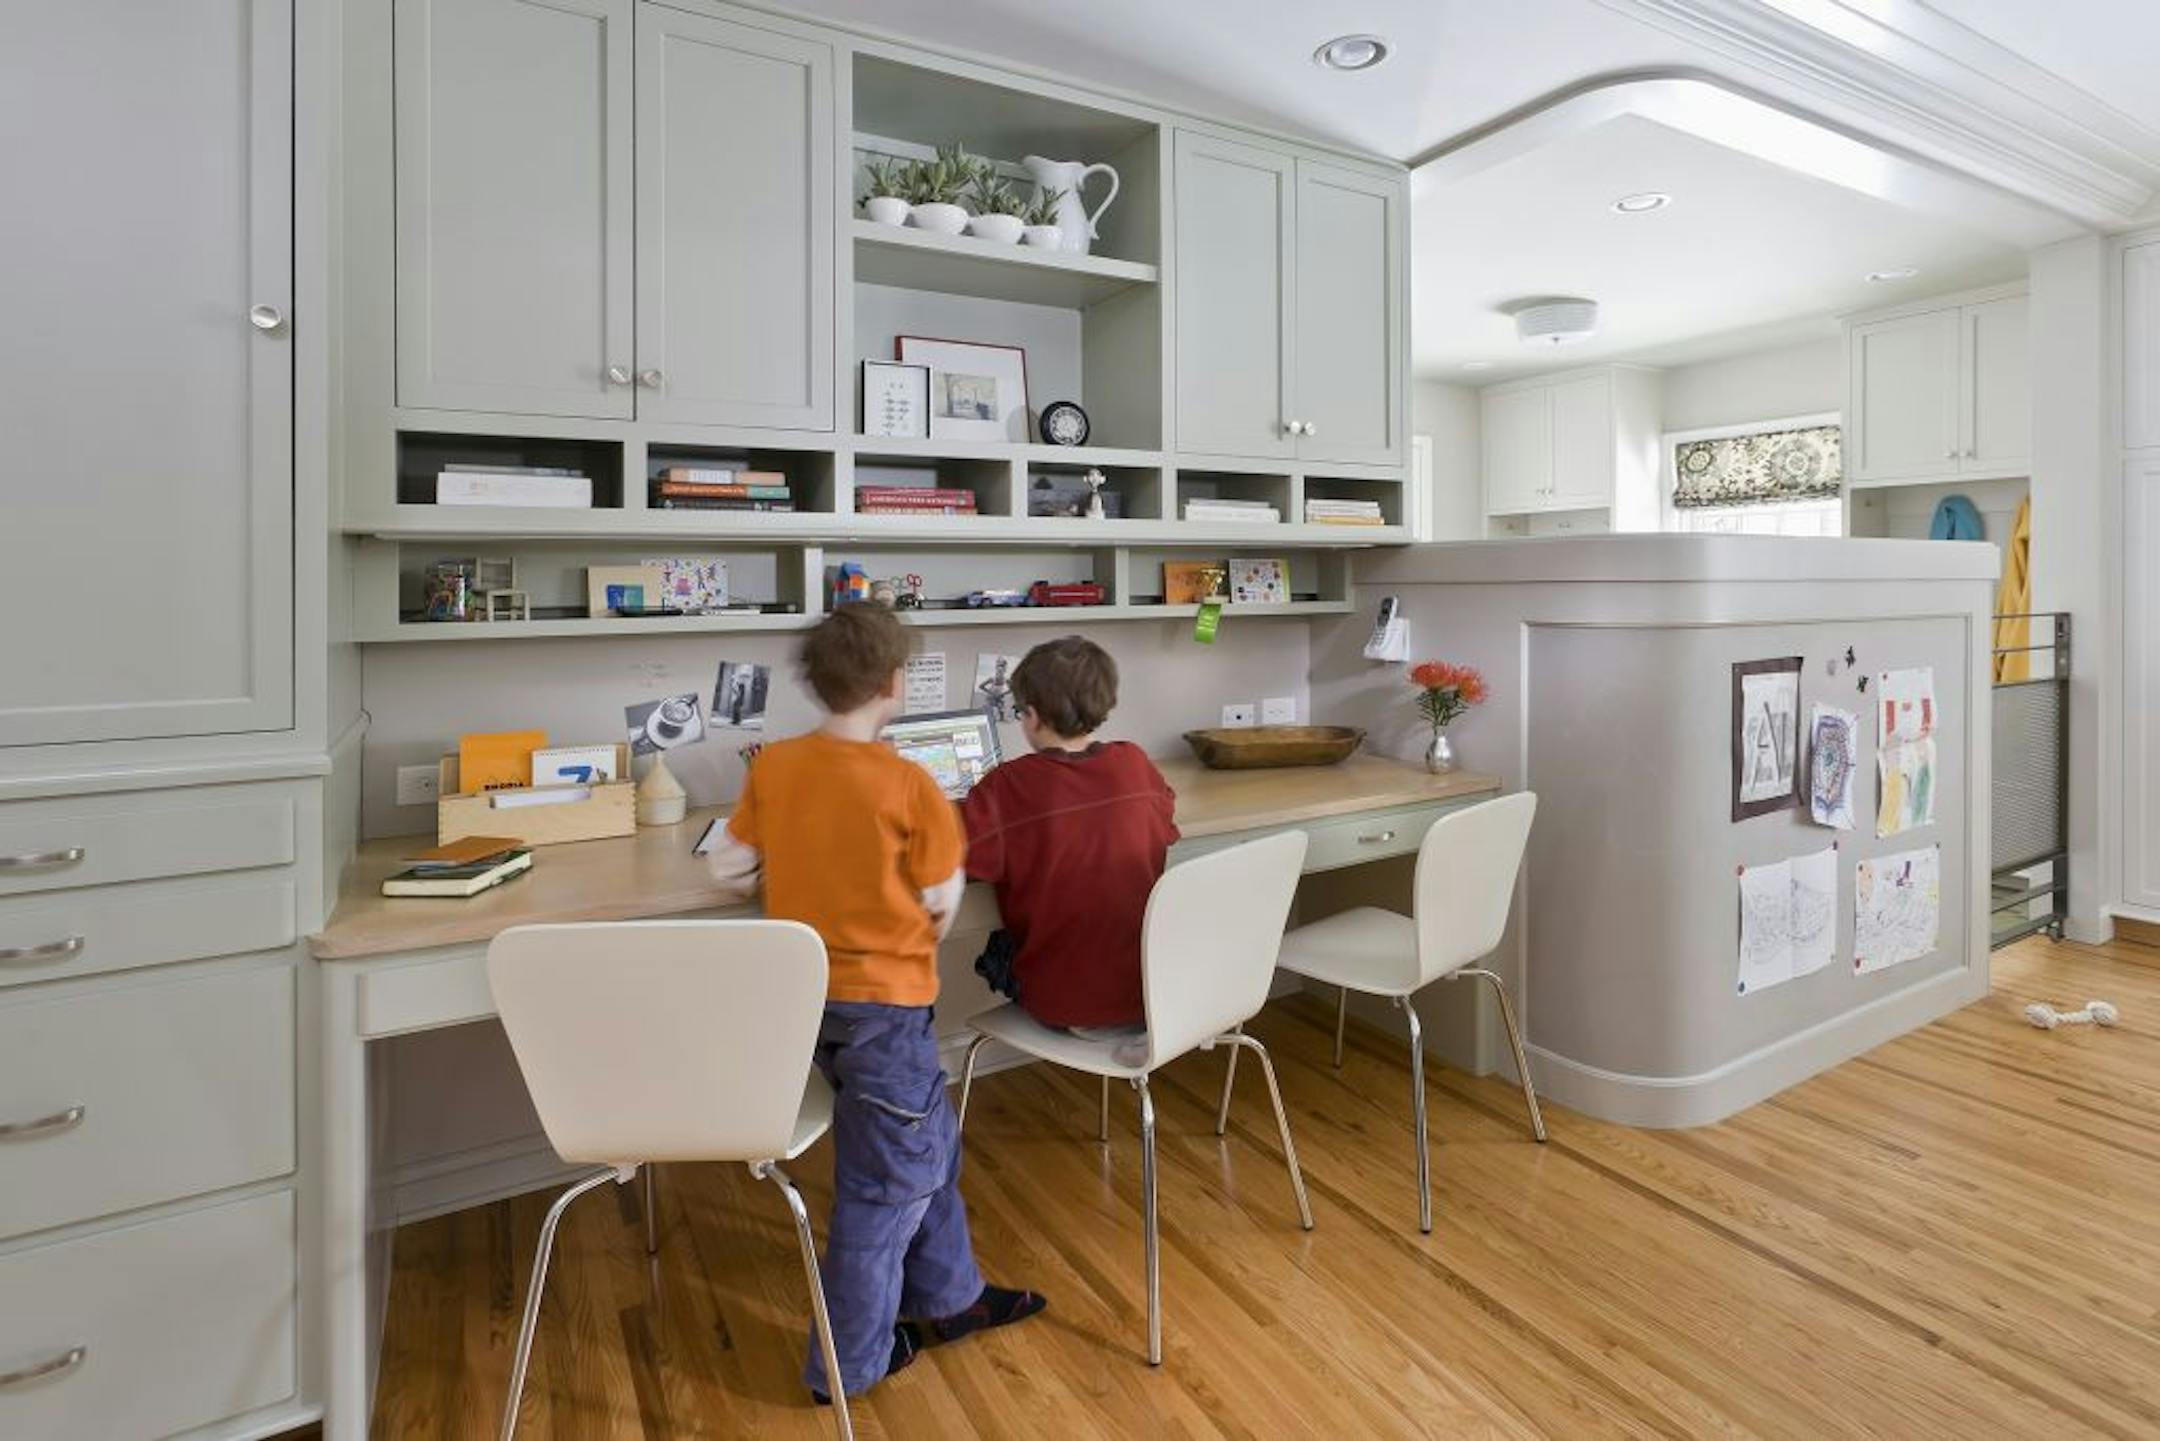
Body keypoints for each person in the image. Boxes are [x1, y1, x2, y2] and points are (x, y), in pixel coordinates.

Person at [705, 606, 1044, 1403]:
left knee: (926, 1146)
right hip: (885, 1009)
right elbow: (940, 901)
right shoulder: (910, 782)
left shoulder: (777, 766)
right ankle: (846, 1363)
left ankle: (950, 1297)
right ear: (896, 685)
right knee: (883, 1186)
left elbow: (728, 867)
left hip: (808, 1009)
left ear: (815, 684)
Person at [961, 636, 1180, 1037]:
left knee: (993, 944)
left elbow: (958, 852)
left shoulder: (1010, 785)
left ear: (1032, 716)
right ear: (1104, 704)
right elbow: (1166, 815)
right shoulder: (1134, 762)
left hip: (1062, 1001)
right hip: (1148, 992)